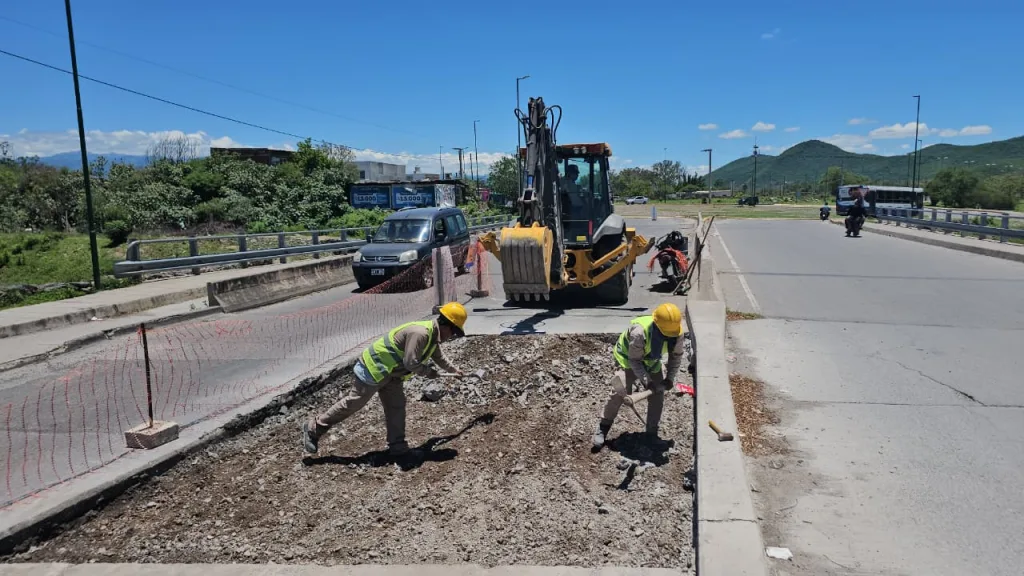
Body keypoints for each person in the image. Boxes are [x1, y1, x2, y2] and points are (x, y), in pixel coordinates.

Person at [301, 302, 468, 458]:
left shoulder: (433, 337)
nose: (452, 336)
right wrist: (429, 372)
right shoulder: (420, 333)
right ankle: (314, 428)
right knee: (355, 402)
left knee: (396, 406)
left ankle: (398, 448)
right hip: (373, 369)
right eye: (454, 332)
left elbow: (438, 356)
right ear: (446, 325)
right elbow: (410, 363)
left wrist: (454, 371)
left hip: (392, 374)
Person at [592, 302, 688, 449]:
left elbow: (676, 357)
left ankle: (651, 434)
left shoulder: (677, 333)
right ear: (657, 326)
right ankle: (603, 427)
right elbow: (635, 361)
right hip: (627, 359)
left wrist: (669, 378)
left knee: (657, 396)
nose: (670, 336)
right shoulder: (639, 332)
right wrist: (647, 381)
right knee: (619, 391)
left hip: (651, 360)